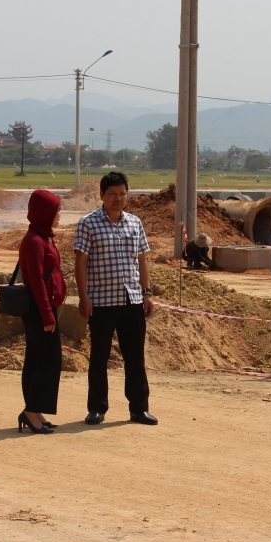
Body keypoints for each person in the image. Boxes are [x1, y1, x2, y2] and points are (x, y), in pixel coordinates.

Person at [75, 172, 158, 426]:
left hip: (132, 300)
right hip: (100, 301)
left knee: (135, 357)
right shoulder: (88, 223)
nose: (118, 198)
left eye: (122, 193)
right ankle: (97, 409)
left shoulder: (135, 223)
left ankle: (139, 409)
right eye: (112, 194)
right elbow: (81, 262)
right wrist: (83, 297)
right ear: (101, 195)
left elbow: (142, 261)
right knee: (99, 357)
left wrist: (147, 293)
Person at [17, 189, 67, 434]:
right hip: (39, 310)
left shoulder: (44, 237)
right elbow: (36, 281)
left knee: (38, 359)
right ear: (45, 212)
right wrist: (47, 315)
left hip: (46, 308)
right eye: (56, 211)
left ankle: (35, 411)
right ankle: (31, 411)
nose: (59, 215)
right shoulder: (34, 241)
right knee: (50, 360)